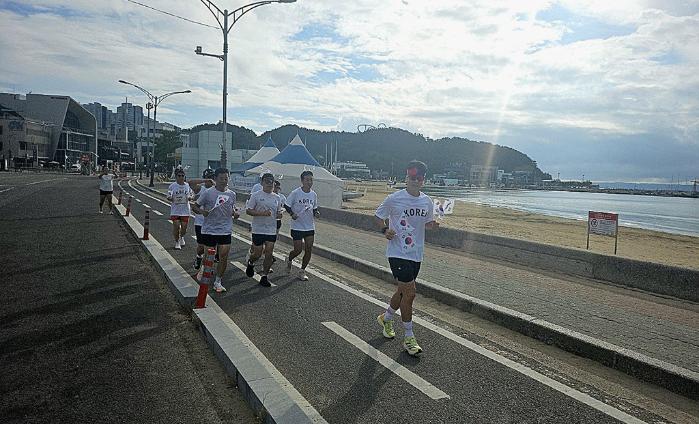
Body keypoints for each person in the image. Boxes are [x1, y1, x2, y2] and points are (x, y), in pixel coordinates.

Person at [375, 160, 438, 356]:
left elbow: (427, 223)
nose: (415, 181)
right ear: (406, 177)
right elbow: (378, 216)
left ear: (423, 180)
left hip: (416, 253)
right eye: (412, 177)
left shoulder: (427, 201)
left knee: (403, 292)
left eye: (419, 178)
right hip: (397, 252)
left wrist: (433, 226)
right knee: (410, 293)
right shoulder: (394, 198)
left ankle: (386, 317)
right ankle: (409, 337)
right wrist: (385, 229)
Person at [191, 168, 239, 293]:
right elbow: (195, 206)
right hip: (209, 230)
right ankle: (203, 268)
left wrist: (235, 214)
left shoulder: (232, 194)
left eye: (226, 178)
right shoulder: (208, 193)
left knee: (223, 256)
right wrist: (202, 212)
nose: (224, 181)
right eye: (222, 178)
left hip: (225, 230)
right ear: (216, 179)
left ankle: (218, 281)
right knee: (209, 257)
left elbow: (232, 209)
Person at [244, 173, 283, 287]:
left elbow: (278, 212)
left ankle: (264, 276)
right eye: (267, 181)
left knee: (269, 253)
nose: (270, 184)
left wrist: (279, 215)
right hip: (258, 228)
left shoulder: (277, 197)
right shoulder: (256, 195)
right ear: (262, 182)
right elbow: (249, 211)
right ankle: (251, 262)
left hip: (271, 229)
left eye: (272, 181)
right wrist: (262, 213)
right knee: (257, 253)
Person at [284, 170, 319, 281]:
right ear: (302, 181)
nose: (309, 182)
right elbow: (287, 205)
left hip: (309, 226)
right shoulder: (296, 193)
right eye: (307, 180)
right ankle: (289, 258)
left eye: (311, 180)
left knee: (309, 249)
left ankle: (302, 271)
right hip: (297, 226)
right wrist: (292, 214)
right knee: (298, 250)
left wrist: (316, 213)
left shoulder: (313, 194)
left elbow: (314, 208)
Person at [191, 169, 215, 270]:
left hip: (213, 223)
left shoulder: (217, 189)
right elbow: (190, 183)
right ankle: (198, 257)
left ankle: (206, 268)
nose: (210, 180)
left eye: (212, 177)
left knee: (211, 248)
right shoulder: (200, 189)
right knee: (201, 247)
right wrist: (204, 180)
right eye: (208, 177)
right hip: (200, 222)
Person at [167, 169, 193, 250]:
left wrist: (190, 198)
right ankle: (177, 242)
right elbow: (169, 195)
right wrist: (170, 198)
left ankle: (181, 236)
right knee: (176, 226)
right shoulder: (172, 186)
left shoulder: (187, 186)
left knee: (184, 228)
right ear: (176, 177)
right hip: (175, 210)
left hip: (185, 210)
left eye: (182, 176)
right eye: (179, 176)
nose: (181, 177)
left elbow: (191, 195)